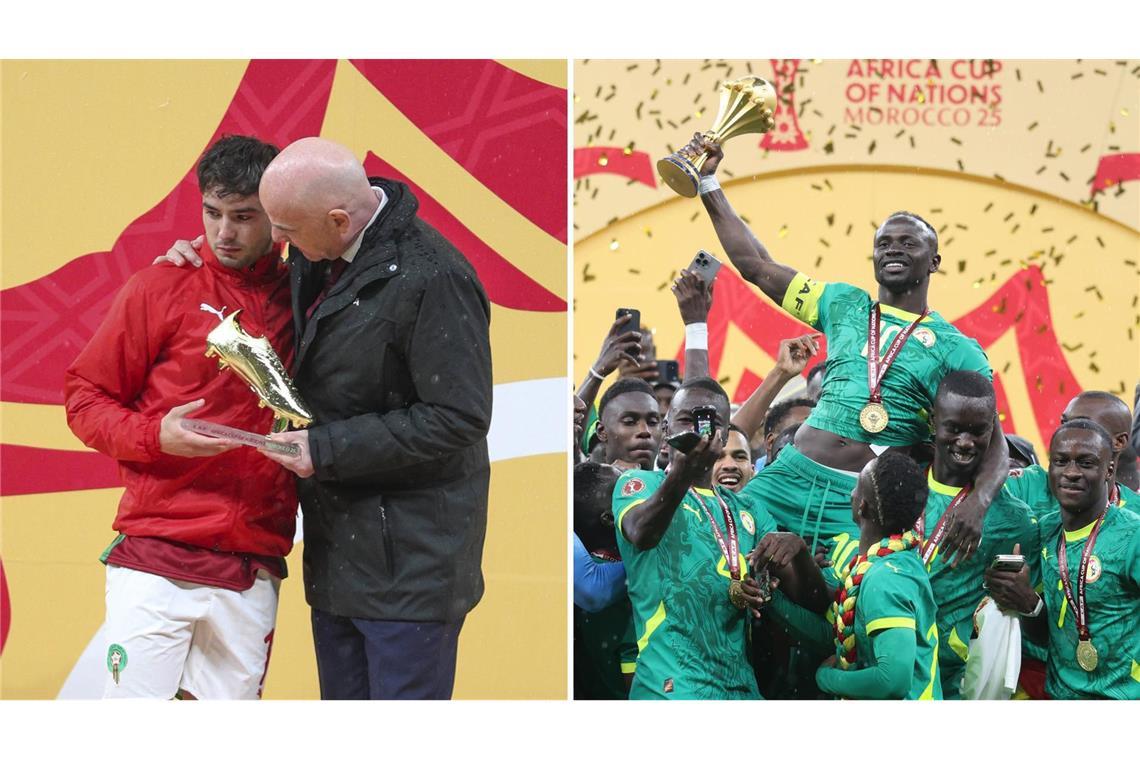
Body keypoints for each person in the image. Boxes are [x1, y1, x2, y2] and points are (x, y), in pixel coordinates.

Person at [158, 137, 494, 699]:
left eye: (283, 230)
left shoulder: (434, 278)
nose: (277, 244)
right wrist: (196, 258)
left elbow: (458, 418)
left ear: (339, 219)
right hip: (339, 558)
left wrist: (328, 449)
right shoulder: (325, 248)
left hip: (412, 573)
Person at [690, 132, 1007, 561]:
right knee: (716, 542)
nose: (893, 248)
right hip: (789, 476)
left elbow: (996, 444)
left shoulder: (958, 349)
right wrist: (709, 185)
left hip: (863, 499)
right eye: (883, 243)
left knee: (845, 600)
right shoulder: (842, 303)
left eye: (908, 243)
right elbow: (756, 267)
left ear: (934, 261)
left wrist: (978, 503)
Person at [65, 135, 293, 700]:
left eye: (244, 217)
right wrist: (154, 435)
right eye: (213, 214)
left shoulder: (310, 298)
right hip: (156, 560)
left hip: (253, 564)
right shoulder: (160, 286)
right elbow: (84, 397)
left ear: (277, 217)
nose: (224, 233)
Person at [613, 376, 824, 699]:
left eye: (712, 421)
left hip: (739, 687)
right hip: (672, 686)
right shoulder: (640, 484)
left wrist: (798, 552)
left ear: (726, 434)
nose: (701, 429)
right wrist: (683, 472)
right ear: (666, 429)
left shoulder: (749, 509)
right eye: (688, 418)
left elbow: (811, 599)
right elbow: (641, 534)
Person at [986, 419, 1140, 699]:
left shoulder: (1133, 536)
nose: (1071, 472)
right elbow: (1049, 637)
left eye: (1085, 463)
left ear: (1109, 470)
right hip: (1059, 696)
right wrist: (1027, 602)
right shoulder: (1044, 531)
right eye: (1060, 461)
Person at [774, 452, 943, 699]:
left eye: (856, 487)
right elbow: (829, 634)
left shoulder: (886, 578)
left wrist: (828, 678)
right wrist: (771, 599)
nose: (851, 494)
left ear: (862, 505)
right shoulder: (890, 562)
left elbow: (893, 680)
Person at [915, 371, 1037, 698]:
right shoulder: (898, 487)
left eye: (977, 430)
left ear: (992, 430)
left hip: (956, 687)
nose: (965, 441)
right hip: (889, 669)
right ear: (933, 424)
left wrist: (1029, 601)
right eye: (954, 428)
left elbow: (1027, 609)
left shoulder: (1014, 520)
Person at [1006, 390, 1139, 518]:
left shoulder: (1135, 513)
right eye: (1064, 423)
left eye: (1083, 424)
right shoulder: (1028, 486)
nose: (1067, 431)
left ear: (1119, 442)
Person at [573, 462, 636, 699]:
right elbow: (635, 683)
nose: (636, 493)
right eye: (626, 490)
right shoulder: (625, 592)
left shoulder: (570, 576)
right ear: (610, 519)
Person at [595, 378, 662, 470]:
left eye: (652, 422)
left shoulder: (679, 482)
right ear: (602, 431)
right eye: (629, 422)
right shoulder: (575, 482)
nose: (644, 431)